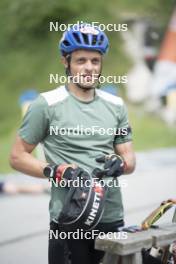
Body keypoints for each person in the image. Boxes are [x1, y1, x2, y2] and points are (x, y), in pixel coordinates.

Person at [9, 23, 136, 264]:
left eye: (95, 61)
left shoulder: (116, 105)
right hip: (69, 220)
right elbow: (17, 157)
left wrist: (120, 163)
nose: (89, 67)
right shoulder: (45, 104)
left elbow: (129, 160)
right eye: (81, 60)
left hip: (110, 217)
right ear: (65, 62)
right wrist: (54, 170)